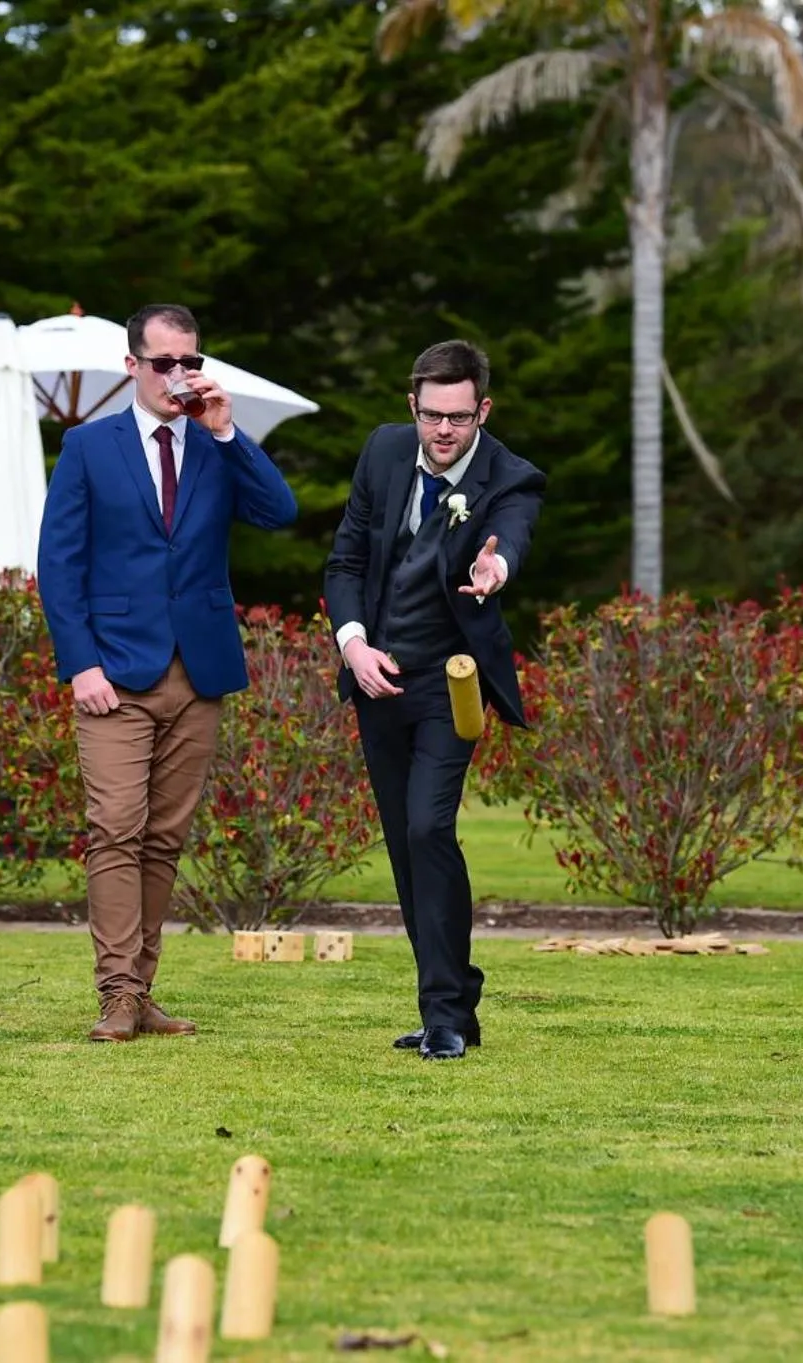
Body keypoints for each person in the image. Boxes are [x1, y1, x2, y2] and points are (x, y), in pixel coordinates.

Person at [36, 303, 298, 1042]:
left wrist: (224, 429)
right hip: (114, 673)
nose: (179, 375)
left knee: (162, 838)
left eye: (190, 361)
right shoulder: (89, 447)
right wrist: (80, 663)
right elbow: (59, 565)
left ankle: (142, 991)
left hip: (200, 668)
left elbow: (280, 511)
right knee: (116, 829)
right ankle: (116, 994)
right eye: (164, 363)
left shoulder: (219, 445)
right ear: (133, 366)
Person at [320, 340, 544, 1061]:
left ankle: (447, 1011)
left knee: (427, 829)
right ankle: (447, 1001)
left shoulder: (509, 476)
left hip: (453, 685)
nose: (442, 430)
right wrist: (353, 645)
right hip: (376, 678)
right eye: (429, 415)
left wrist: (496, 564)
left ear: (483, 409)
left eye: (457, 416)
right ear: (411, 407)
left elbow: (512, 536)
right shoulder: (384, 453)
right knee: (405, 848)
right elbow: (347, 559)